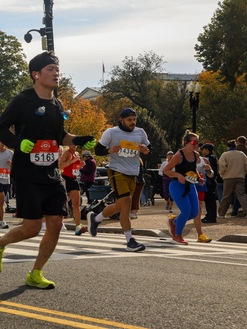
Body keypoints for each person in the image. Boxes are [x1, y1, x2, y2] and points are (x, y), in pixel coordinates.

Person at [0, 51, 97, 290]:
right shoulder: (22, 100)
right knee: (32, 228)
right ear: (36, 74)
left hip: (52, 173)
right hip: (27, 173)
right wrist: (18, 143)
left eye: (57, 69)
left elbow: (60, 136)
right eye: (50, 69)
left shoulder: (57, 104)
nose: (56, 73)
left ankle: (36, 273)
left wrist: (78, 140)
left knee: (55, 223)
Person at [88, 108, 150, 252]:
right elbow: (98, 150)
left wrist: (145, 150)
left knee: (119, 206)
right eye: (129, 120)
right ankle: (130, 240)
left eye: (134, 120)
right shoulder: (111, 132)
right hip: (117, 171)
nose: (132, 122)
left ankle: (96, 219)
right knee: (126, 204)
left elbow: (149, 147)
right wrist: (109, 150)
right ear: (121, 120)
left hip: (133, 172)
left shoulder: (140, 132)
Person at [161, 132, 211, 244]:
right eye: (194, 142)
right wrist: (178, 175)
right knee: (186, 210)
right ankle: (178, 235)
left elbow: (193, 169)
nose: (196, 145)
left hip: (190, 185)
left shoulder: (196, 155)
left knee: (194, 212)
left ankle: (174, 221)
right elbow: (166, 170)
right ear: (186, 143)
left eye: (198, 143)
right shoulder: (179, 155)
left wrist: (199, 178)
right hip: (177, 185)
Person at [217, 136, 247, 218]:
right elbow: (246, 165)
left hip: (228, 177)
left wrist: (222, 175)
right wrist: (243, 173)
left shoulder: (225, 155)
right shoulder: (242, 154)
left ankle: (221, 213)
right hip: (240, 177)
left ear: (228, 146)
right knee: (241, 195)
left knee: (226, 196)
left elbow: (222, 167)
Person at [59, 145, 86, 235]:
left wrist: (80, 165)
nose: (74, 145)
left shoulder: (77, 153)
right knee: (63, 202)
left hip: (74, 179)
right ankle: (60, 224)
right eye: (72, 143)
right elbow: (60, 165)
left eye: (75, 143)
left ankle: (78, 226)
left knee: (76, 204)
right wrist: (72, 161)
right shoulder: (67, 153)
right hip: (65, 178)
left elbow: (75, 167)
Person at [200, 143, 219, 222]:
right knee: (209, 199)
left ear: (207, 150)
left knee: (209, 200)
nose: (202, 151)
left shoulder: (208, 159)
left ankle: (211, 217)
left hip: (209, 181)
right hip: (211, 181)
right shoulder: (214, 158)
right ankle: (209, 215)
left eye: (203, 149)